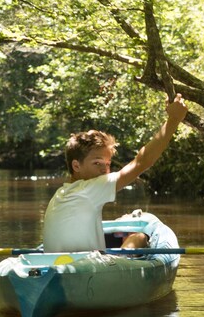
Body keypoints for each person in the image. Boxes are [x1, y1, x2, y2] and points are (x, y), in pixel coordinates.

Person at [42, 94, 189, 253]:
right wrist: (174, 119)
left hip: (62, 265)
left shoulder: (61, 193)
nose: (104, 170)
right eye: (97, 163)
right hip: (87, 269)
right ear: (76, 166)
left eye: (107, 164)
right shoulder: (88, 189)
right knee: (139, 237)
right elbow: (142, 161)